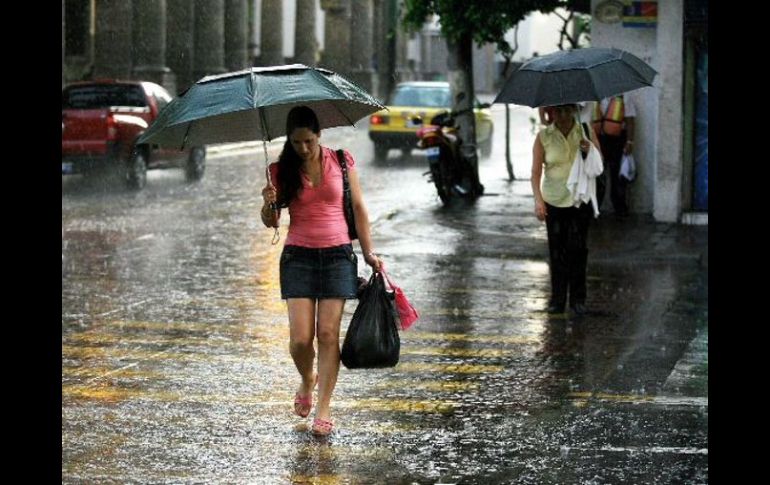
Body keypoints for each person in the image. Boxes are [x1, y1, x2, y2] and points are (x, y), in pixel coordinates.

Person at [260, 106, 383, 436]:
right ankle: (306, 378)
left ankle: (324, 408)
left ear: (319, 136)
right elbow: (272, 222)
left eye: (309, 141)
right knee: (301, 339)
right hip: (298, 256)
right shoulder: (279, 170)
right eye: (296, 142)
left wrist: (369, 252)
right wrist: (268, 203)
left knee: (328, 334)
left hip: (337, 256)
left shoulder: (341, 161)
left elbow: (357, 207)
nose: (303, 148)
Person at [531, 104, 601, 316]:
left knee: (578, 250)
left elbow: (599, 163)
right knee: (557, 252)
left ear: (573, 110)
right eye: (557, 111)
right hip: (553, 200)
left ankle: (578, 300)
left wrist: (589, 150)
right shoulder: (544, 136)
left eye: (566, 111)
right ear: (552, 113)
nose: (562, 116)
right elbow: (535, 173)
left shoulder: (585, 130)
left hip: (580, 200)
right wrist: (538, 201)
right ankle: (558, 300)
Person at [591, 94, 636, 217]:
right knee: (598, 176)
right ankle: (595, 209)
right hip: (598, 141)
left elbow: (630, 119)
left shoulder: (625, 96)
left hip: (617, 140)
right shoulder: (594, 95)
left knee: (617, 177)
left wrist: (629, 142)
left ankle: (620, 209)